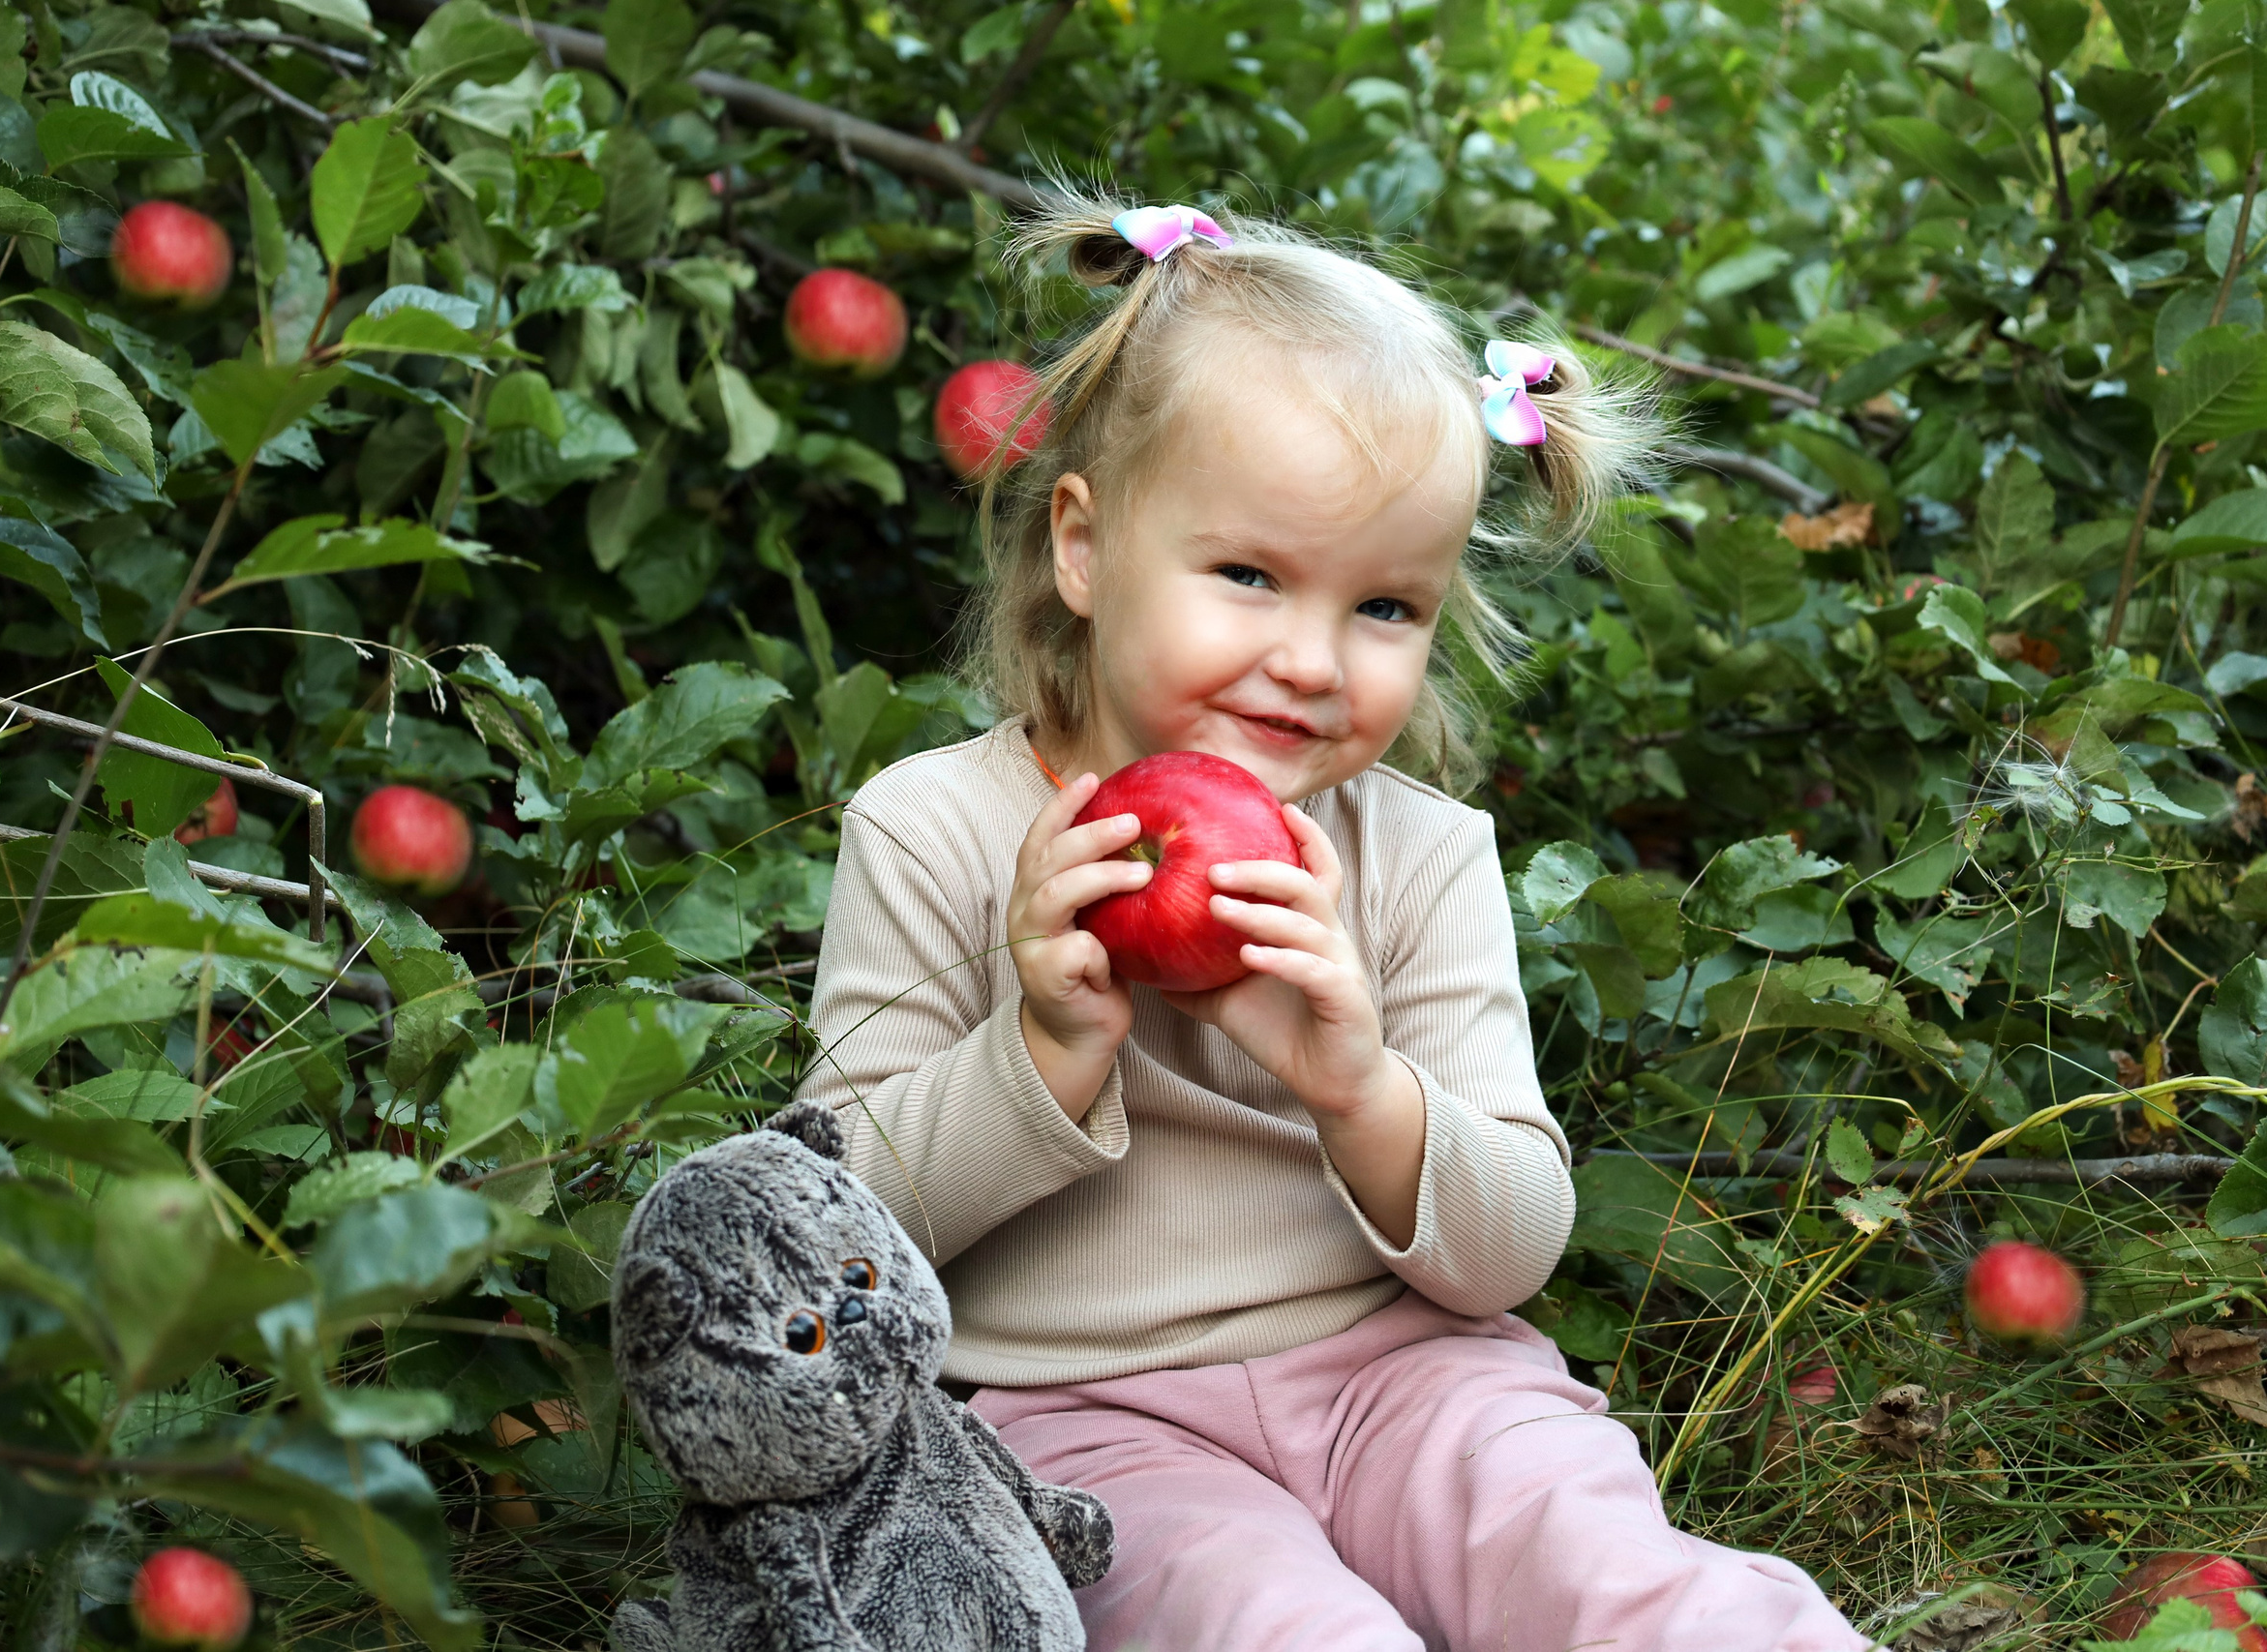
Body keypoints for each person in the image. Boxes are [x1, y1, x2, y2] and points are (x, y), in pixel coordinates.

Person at [792, 194, 1873, 1652]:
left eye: (1384, 608)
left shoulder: (1419, 859)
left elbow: (1507, 1253)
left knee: (1620, 1581)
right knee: (1272, 1630)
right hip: (1087, 1423)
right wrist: (1037, 1051)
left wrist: (1355, 1082)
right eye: (1247, 576)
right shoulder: (938, 834)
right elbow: (831, 1246)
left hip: (1410, 1375)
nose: (1310, 661)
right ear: (1085, 548)